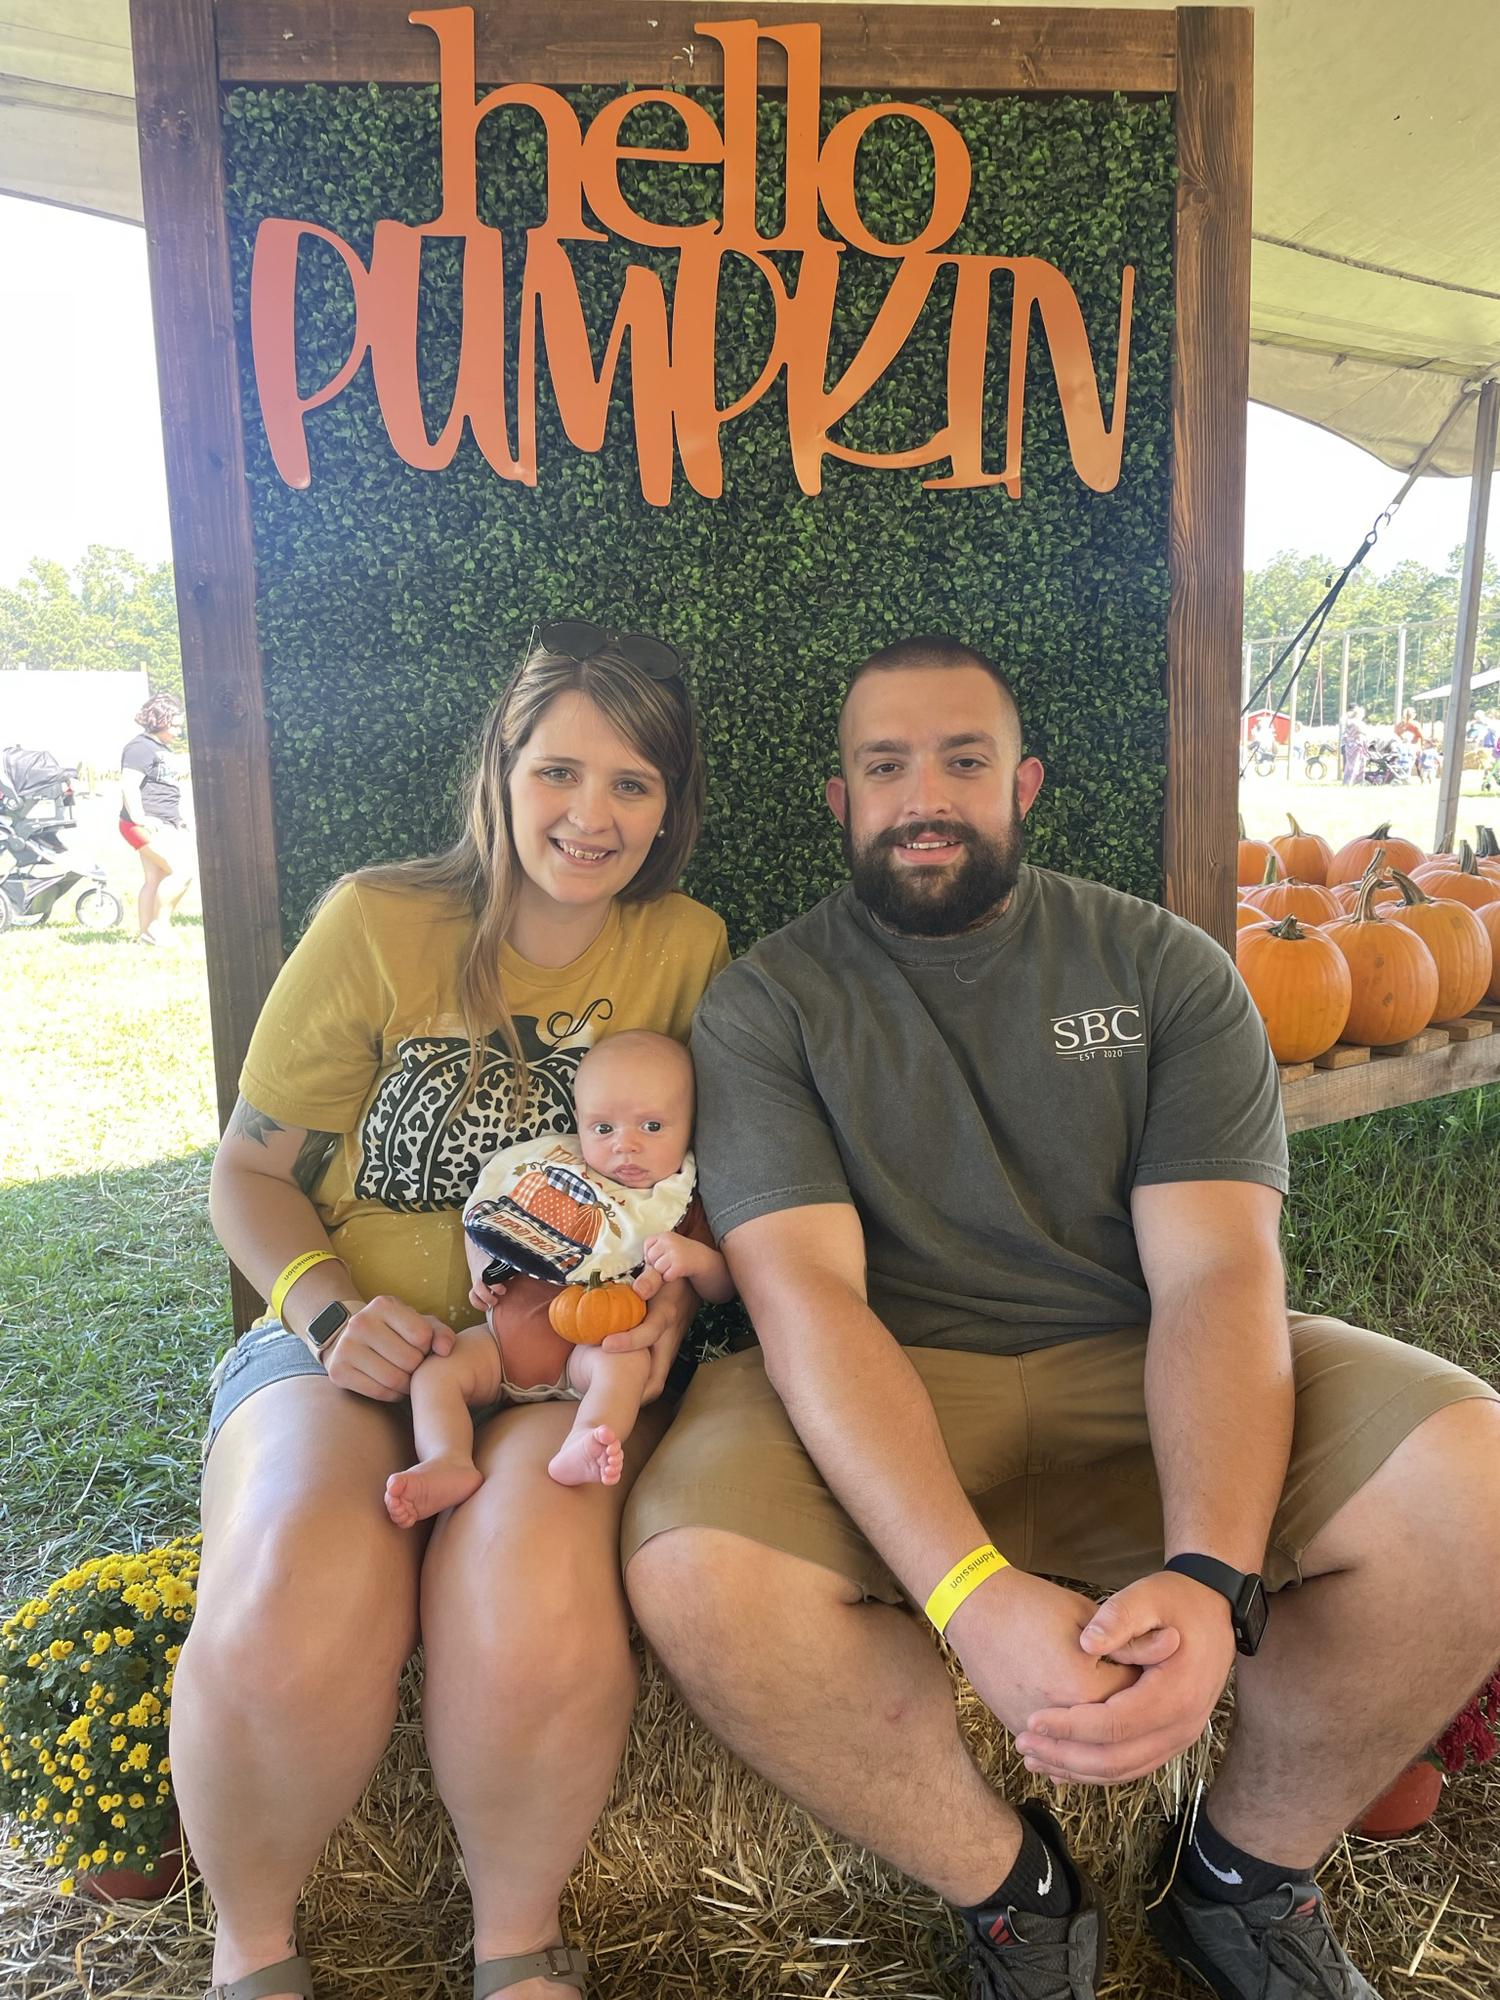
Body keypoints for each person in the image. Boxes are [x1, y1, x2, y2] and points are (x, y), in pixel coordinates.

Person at [622, 635, 1500, 2000]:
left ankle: (1244, 1878)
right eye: (885, 766)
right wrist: (969, 1596)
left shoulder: (1166, 967)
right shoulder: (766, 1003)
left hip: (1144, 1354)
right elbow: (806, 1299)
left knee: (1481, 1484)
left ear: (1023, 782)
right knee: (695, 1574)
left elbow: (1215, 1274)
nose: (925, 794)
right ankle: (1012, 1892)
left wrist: (1212, 1578)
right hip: (893, 1374)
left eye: (963, 761)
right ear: (840, 803)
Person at [175, 625, 728, 2000]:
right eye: (558, 772)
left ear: (670, 810)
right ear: (501, 767)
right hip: (343, 1350)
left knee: (533, 1594)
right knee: (294, 1576)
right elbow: (248, 1173)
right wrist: (321, 1314)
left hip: (555, 1367)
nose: (589, 817)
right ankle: (253, 1956)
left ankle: (517, 1949)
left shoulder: (687, 948)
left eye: (631, 786)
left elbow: (702, 1191)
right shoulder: (378, 921)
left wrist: (658, 1320)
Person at [384, 1030, 732, 1522]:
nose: (625, 1147)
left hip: (587, 1356)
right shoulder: (550, 1169)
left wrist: (695, 1259)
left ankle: (584, 1440)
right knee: (436, 1373)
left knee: (625, 1365)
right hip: (500, 1347)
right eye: (603, 1128)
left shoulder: (678, 1201)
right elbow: (486, 1219)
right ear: (579, 1123)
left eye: (652, 1126)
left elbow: (723, 1289)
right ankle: (447, 1458)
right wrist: (483, 1274)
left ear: (690, 1126)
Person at [118, 692, 195, 944]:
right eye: (174, 725)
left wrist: (177, 820)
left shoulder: (160, 748)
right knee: (181, 872)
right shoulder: (139, 747)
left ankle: (145, 935)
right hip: (143, 823)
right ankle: (159, 928)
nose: (178, 732)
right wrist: (140, 818)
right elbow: (129, 785)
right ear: (159, 721)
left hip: (163, 820)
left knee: (155, 878)